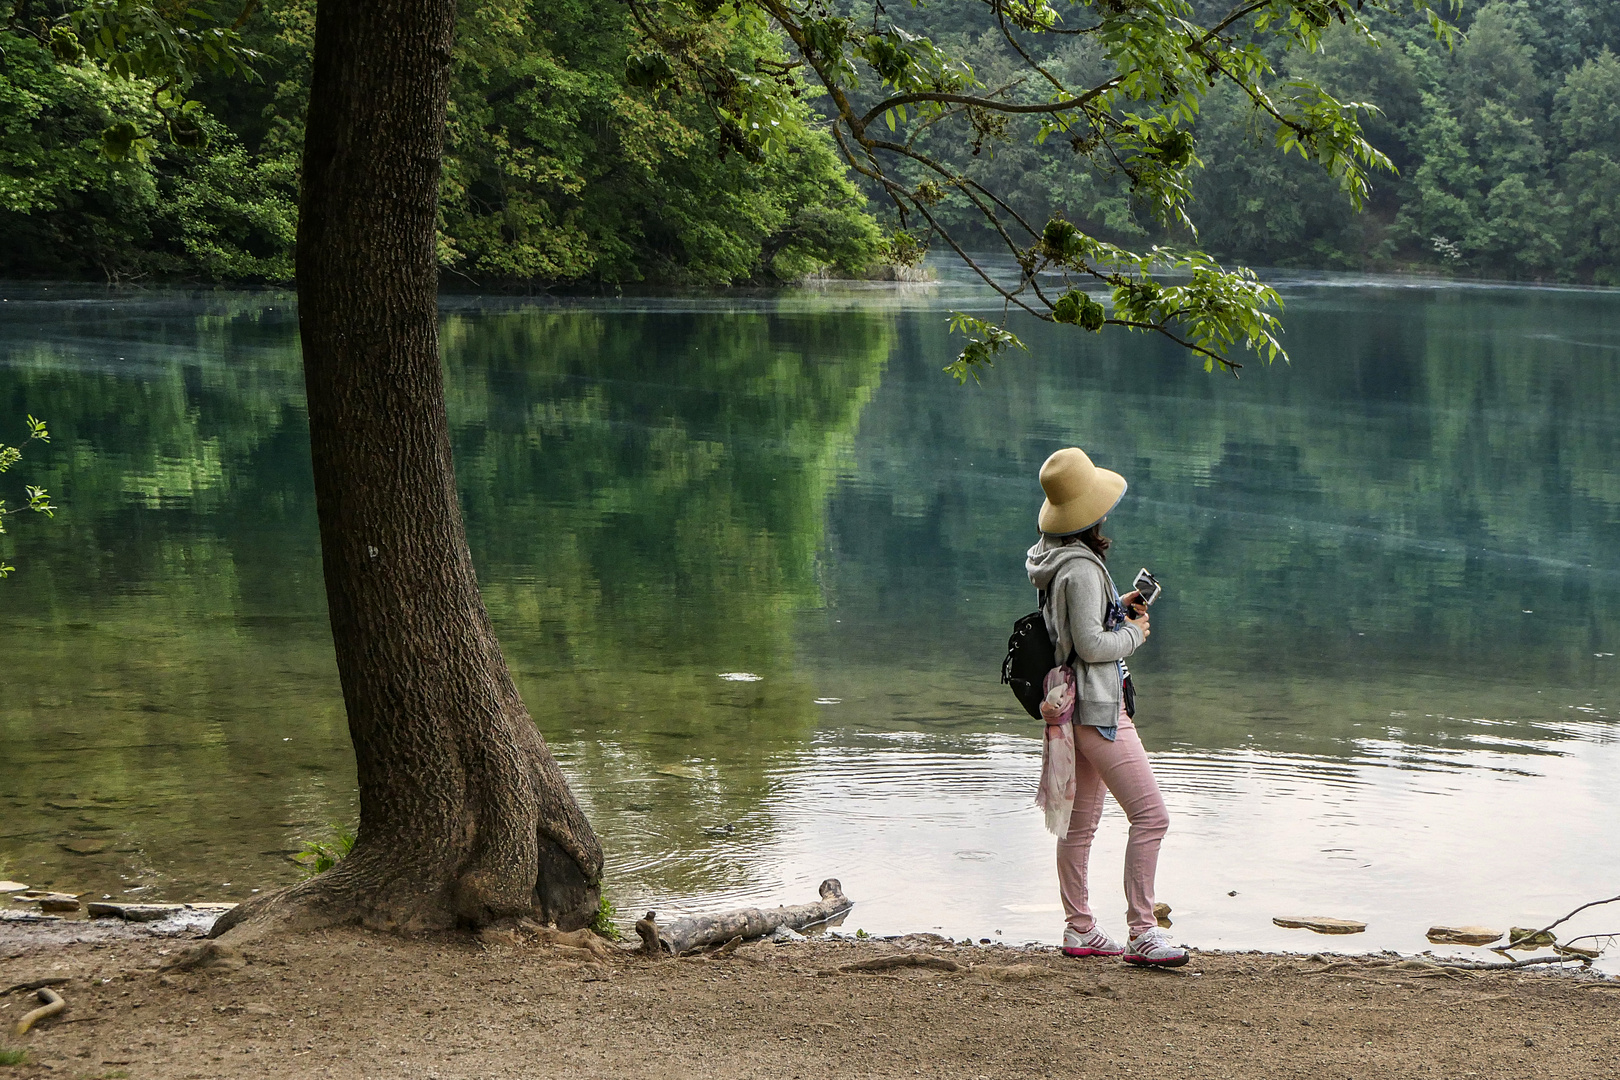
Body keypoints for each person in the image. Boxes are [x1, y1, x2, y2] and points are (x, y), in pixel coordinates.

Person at [1024, 447, 1187, 967]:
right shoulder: (1084, 570)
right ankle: (1142, 932)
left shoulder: (1050, 558)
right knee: (1152, 817)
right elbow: (1093, 647)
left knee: (1080, 828)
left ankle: (1080, 929)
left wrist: (1119, 612)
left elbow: (1075, 631)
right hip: (1097, 707)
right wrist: (1134, 634)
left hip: (1070, 704)